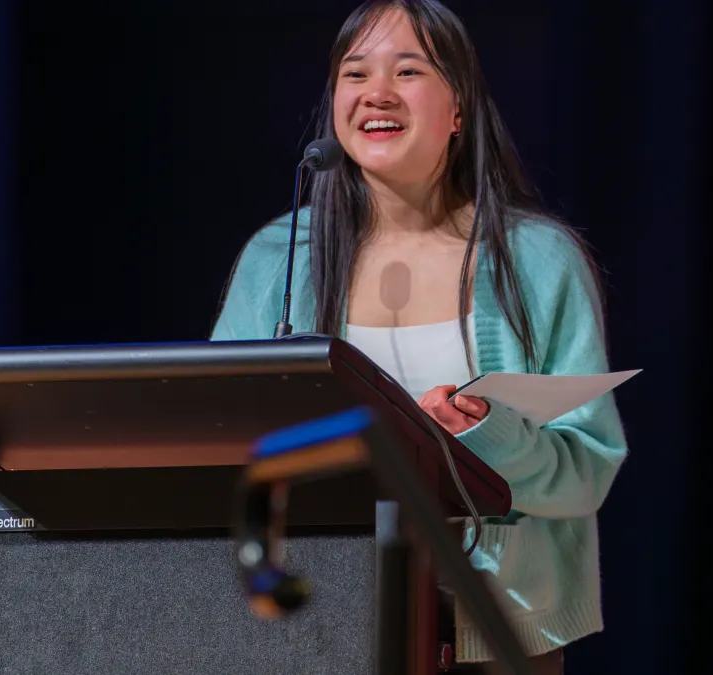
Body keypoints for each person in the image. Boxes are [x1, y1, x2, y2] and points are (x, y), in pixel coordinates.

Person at [211, 0, 629, 672]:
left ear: (458, 107)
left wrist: (482, 432)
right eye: (355, 73)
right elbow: (221, 442)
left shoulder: (540, 261)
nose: (376, 92)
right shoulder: (277, 260)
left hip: (498, 631)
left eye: (408, 71)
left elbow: (585, 471)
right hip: (322, 629)